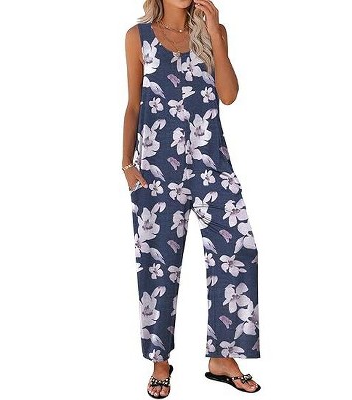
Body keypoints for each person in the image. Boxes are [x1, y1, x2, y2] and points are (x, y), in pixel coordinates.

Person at [122, 0, 261, 397]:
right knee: (158, 264)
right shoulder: (138, 37)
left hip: (212, 165)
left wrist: (214, 30)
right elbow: (134, 105)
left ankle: (223, 357)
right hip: (156, 169)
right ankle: (160, 360)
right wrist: (126, 163)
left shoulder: (213, 34)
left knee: (238, 249)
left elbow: (229, 96)